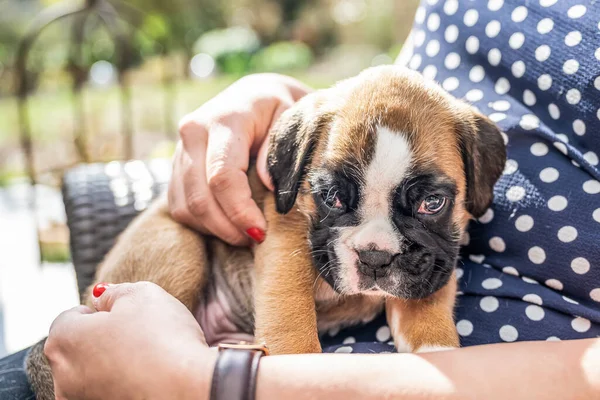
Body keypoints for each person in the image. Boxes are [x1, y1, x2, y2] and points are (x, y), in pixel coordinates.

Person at [2, 0, 599, 398]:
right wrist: (277, 102)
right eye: (337, 198)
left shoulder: (461, 147)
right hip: (177, 320)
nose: (379, 247)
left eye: (427, 203)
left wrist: (220, 379)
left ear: (477, 174)